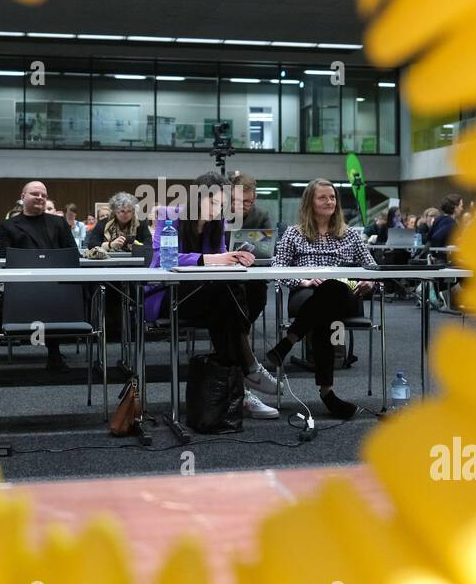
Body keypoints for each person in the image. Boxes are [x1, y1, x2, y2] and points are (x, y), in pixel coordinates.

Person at [145, 172, 280, 419]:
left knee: (237, 293)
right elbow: (162, 261)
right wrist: (212, 259)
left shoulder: (216, 224)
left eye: (223, 204)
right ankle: (248, 369)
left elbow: (222, 262)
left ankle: (238, 387)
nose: (219, 209)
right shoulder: (168, 216)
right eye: (215, 202)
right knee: (224, 296)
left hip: (208, 297)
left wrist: (237, 258)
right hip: (168, 295)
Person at [267, 179, 379, 419]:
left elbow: (372, 267)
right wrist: (303, 281)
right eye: (323, 198)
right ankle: (327, 392)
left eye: (333, 197)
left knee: (333, 287)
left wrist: (370, 282)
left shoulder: (349, 235)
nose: (329, 202)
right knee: (325, 312)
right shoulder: (293, 234)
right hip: (305, 292)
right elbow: (277, 268)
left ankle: (289, 340)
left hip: (346, 291)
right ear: (310, 202)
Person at [0, 181, 82, 371]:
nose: (40, 197)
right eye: (35, 194)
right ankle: (52, 350)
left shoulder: (58, 223)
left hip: (56, 282)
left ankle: (54, 351)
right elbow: (7, 259)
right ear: (22, 197)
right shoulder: (7, 226)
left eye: (43, 195)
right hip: (23, 283)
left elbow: (71, 254)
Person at [87, 191, 151, 251]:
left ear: (133, 211)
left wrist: (136, 245)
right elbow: (91, 245)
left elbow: (149, 244)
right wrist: (110, 244)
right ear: (115, 211)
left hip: (136, 259)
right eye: (122, 211)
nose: (126, 214)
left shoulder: (140, 223)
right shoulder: (104, 223)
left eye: (129, 211)